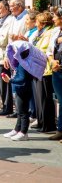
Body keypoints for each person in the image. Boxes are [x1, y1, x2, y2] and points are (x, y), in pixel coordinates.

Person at [2, 41, 47, 141]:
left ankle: (24, 132)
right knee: (19, 111)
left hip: (23, 89)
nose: (13, 53)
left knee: (23, 112)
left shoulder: (24, 64)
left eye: (15, 50)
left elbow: (22, 79)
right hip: (21, 88)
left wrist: (10, 80)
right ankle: (17, 129)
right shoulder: (23, 62)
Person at [31, 12, 57, 133]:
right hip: (38, 68)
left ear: (42, 23)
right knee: (39, 97)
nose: (35, 23)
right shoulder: (41, 32)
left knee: (45, 98)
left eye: (37, 21)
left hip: (45, 69)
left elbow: (44, 48)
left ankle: (48, 125)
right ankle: (41, 121)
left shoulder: (49, 32)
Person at [47, 8, 62, 141]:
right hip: (57, 70)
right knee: (61, 100)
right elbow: (49, 51)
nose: (53, 19)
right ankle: (60, 130)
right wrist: (52, 61)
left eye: (55, 17)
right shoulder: (55, 31)